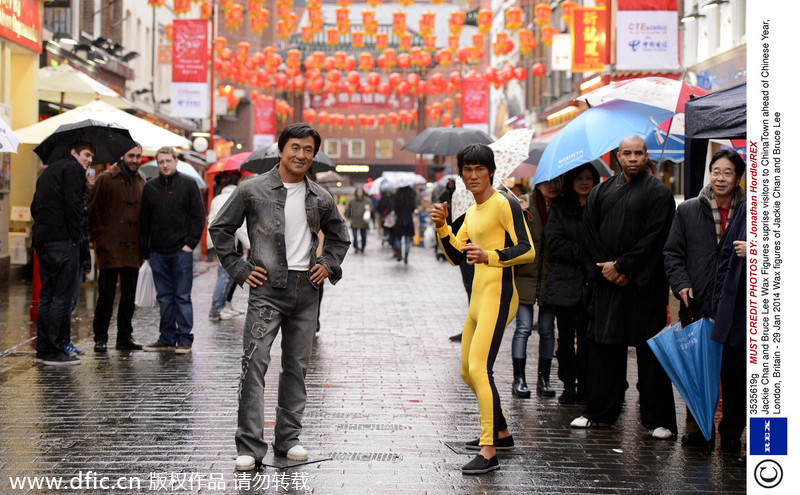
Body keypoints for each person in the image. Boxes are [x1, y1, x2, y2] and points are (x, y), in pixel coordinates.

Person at [209, 123, 350, 471]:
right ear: (282, 149)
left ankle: (288, 438)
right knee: (254, 364)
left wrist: (327, 264)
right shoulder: (251, 189)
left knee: (296, 368)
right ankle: (249, 445)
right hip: (267, 291)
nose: (301, 155)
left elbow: (340, 236)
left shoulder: (320, 196)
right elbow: (220, 229)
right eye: (295, 148)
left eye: (308, 150)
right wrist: (240, 268)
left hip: (307, 291)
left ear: (313, 155)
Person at [431, 144, 534, 474]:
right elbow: (455, 256)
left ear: (491, 171)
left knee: (479, 369)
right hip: (478, 298)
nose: (473, 175)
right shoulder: (473, 211)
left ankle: (488, 451)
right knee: (467, 369)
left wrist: (490, 256)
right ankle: (501, 432)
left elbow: (528, 250)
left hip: (500, 294)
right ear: (461, 174)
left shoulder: (504, 203)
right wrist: (442, 227)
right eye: (467, 169)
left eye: (479, 169)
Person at [571, 135, 677, 440]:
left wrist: (624, 267)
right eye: (627, 153)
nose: (632, 158)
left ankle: (658, 420)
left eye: (638, 153)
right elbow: (588, 234)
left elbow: (656, 238)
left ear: (646, 156)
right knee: (605, 349)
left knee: (651, 353)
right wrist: (608, 269)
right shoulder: (601, 191)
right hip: (607, 284)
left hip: (644, 285)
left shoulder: (659, 193)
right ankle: (600, 413)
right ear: (618, 156)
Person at [663, 149, 745, 449]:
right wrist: (681, 284)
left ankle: (731, 433)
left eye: (728, 173)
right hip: (696, 303)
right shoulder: (687, 210)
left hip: (736, 306)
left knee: (735, 374)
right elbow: (672, 254)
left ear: (738, 178)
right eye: (716, 171)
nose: (720, 178)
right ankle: (697, 430)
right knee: (697, 370)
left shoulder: (750, 212)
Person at [30, 141, 95, 365]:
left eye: (91, 157)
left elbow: (34, 207)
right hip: (63, 242)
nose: (89, 160)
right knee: (60, 298)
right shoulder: (74, 169)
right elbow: (73, 207)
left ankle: (44, 349)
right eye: (86, 155)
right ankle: (55, 351)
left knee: (47, 297)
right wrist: (76, 239)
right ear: (73, 152)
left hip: (43, 241)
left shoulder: (48, 172)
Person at [139, 146, 205, 354]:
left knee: (182, 297)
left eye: (168, 161)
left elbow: (198, 217)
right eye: (161, 162)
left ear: (176, 161)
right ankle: (166, 338)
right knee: (164, 298)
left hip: (181, 251)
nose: (165, 165)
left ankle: (184, 339)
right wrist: (145, 252)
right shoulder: (150, 188)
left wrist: (189, 244)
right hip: (157, 252)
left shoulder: (188, 184)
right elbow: (144, 221)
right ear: (157, 164)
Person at [544, 163, 600, 404]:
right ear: (571, 182)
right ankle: (568, 384)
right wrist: (583, 252)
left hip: (592, 282)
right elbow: (553, 242)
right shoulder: (559, 207)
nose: (584, 182)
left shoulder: (600, 206)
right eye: (579, 178)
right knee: (565, 339)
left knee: (589, 339)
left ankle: (586, 385)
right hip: (564, 282)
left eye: (588, 178)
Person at [87, 143, 147, 352]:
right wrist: (100, 239)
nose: (135, 160)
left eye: (138, 156)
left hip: (133, 248)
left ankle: (124, 336)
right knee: (106, 295)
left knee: (129, 296)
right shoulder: (105, 179)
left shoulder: (141, 180)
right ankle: (100, 337)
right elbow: (92, 212)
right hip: (109, 247)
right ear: (122, 155)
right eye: (131, 155)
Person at [511, 178, 560, 398]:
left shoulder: (562, 206)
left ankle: (543, 380)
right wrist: (517, 214)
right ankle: (519, 379)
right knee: (522, 328)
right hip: (524, 276)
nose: (552, 186)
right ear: (538, 183)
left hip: (552, 278)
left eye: (557, 181)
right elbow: (508, 235)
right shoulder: (524, 203)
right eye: (547, 182)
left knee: (547, 330)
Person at [711, 201, 747, 457]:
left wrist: (759, 251)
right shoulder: (748, 208)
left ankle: (767, 449)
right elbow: (727, 254)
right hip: (738, 311)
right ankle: (731, 436)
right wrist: (720, 300)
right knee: (734, 376)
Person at [207, 172, 249, 321]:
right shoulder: (235, 197)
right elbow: (240, 226)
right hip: (227, 241)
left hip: (216, 240)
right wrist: (250, 244)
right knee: (224, 276)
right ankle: (215, 310)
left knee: (228, 275)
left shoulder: (217, 198)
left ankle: (223, 306)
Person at [393, 186, 416, 264]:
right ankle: (406, 256)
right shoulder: (411, 197)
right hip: (408, 220)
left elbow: (395, 210)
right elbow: (413, 209)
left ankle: (399, 253)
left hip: (399, 220)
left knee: (397, 238)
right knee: (407, 240)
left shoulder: (397, 197)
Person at [344, 186, 370, 254]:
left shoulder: (367, 201)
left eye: (361, 192)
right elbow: (348, 210)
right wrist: (347, 217)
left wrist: (369, 209)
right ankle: (356, 247)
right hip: (354, 220)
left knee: (363, 235)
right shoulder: (352, 201)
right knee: (355, 236)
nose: (359, 193)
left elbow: (371, 209)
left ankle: (363, 247)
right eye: (358, 192)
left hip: (363, 221)